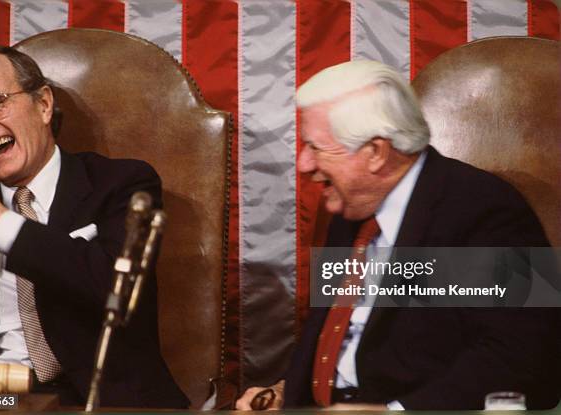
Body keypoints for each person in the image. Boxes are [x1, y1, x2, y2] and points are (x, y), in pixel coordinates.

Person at [236, 60, 559, 410]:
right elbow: (335, 338)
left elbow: (521, 355)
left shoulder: (484, 209)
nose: (304, 164)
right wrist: (287, 392)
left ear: (375, 152)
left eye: (315, 147)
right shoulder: (349, 212)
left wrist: (395, 413)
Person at [0, 45, 188, 408]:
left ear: (44, 105)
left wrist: (1, 222)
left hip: (105, 402)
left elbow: (119, 290)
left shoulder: (123, 184)